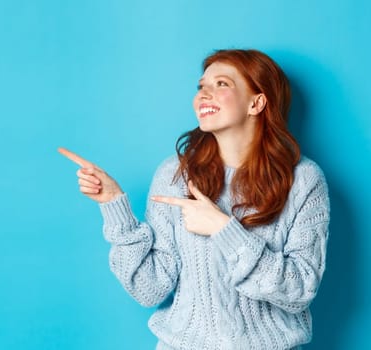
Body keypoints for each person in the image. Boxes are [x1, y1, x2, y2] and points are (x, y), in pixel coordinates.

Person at [58, 49, 330, 349]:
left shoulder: (303, 180)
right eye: (201, 87)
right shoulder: (175, 174)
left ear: (257, 102)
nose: (204, 95)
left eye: (222, 84)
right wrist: (113, 206)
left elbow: (299, 290)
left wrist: (224, 229)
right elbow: (149, 289)